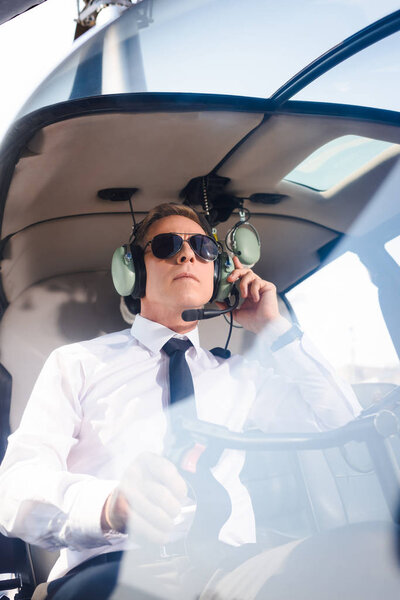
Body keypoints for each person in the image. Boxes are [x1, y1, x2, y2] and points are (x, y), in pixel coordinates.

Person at [0, 203, 360, 599]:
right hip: (112, 574)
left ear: (220, 275)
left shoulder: (240, 375)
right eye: (167, 245)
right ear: (134, 271)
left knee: (360, 554)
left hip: (229, 572)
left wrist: (275, 329)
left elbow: (345, 428)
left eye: (204, 248)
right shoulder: (78, 364)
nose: (187, 254)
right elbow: (14, 490)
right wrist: (110, 506)